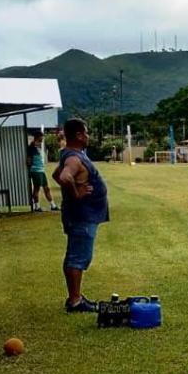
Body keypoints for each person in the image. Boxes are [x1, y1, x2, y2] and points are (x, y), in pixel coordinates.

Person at [53, 118, 109, 313]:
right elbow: (64, 176)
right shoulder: (74, 158)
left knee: (76, 255)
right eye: (86, 133)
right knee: (77, 257)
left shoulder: (72, 154)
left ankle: (75, 297)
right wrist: (77, 193)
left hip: (82, 215)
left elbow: (55, 174)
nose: (88, 136)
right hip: (82, 216)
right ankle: (75, 300)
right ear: (78, 135)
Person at [26, 132, 58, 212]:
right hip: (36, 171)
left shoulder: (38, 146)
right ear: (37, 137)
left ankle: (53, 205)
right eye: (41, 137)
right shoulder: (31, 148)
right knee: (36, 189)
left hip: (41, 170)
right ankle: (37, 207)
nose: (42, 139)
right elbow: (28, 160)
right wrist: (31, 167)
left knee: (46, 188)